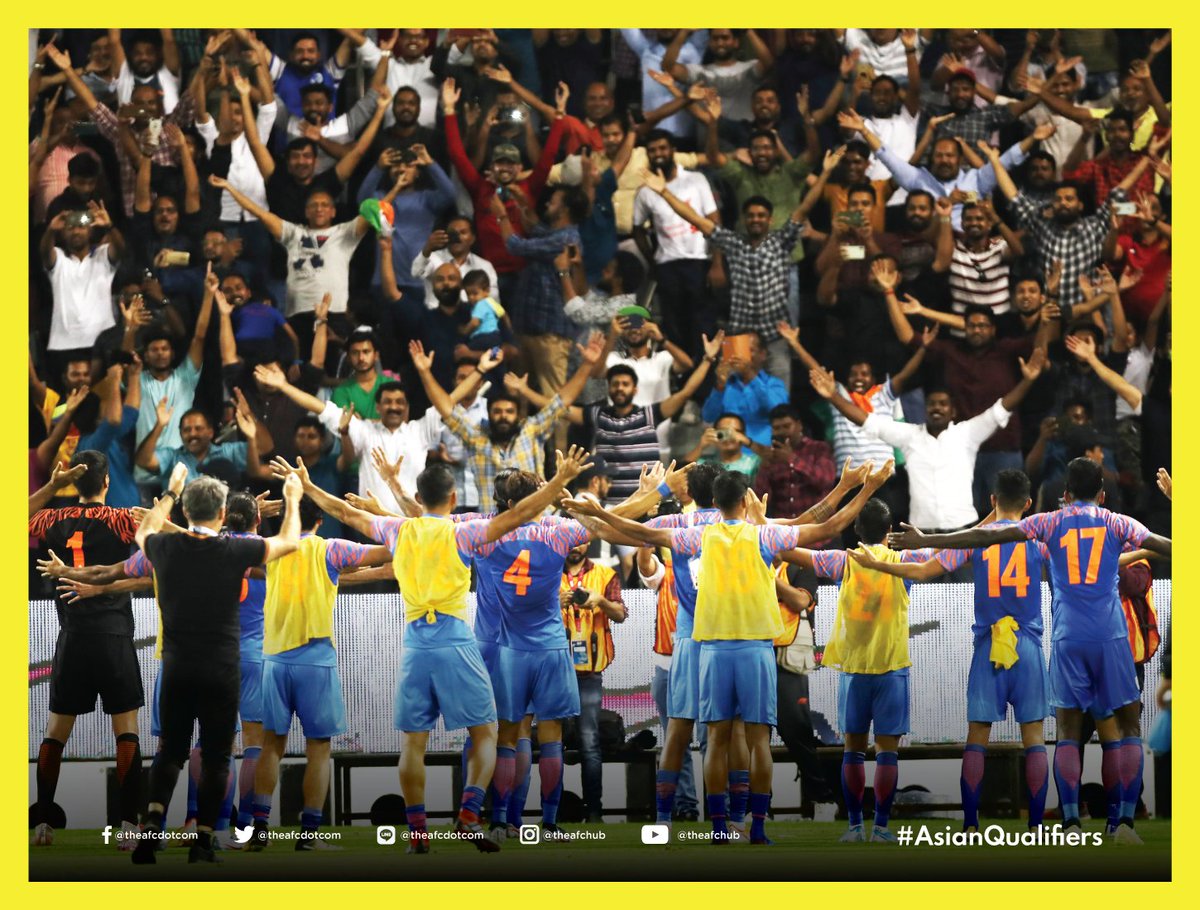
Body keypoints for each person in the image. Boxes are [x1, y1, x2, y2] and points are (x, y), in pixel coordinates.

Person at [568, 463, 895, 844]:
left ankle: (701, 825)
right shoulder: (763, 534)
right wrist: (858, 488)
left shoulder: (693, 533)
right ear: (744, 500)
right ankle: (752, 825)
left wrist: (597, 513)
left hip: (701, 642)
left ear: (695, 493)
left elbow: (631, 530)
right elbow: (823, 525)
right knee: (753, 739)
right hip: (754, 646)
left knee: (695, 735)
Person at [888, 457, 1172, 844]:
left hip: (1056, 638)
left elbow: (983, 538)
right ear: (1102, 494)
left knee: (1063, 731)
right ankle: (1121, 824)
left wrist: (927, 541)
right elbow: (1171, 548)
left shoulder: (1046, 524)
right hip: (1104, 638)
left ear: (1065, 494)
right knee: (1123, 729)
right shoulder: (1116, 522)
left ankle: (1066, 821)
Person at [850, 470, 1053, 833]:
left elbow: (925, 570)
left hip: (990, 644)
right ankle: (1036, 827)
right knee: (1034, 737)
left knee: (977, 735)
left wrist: (878, 564)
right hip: (1028, 645)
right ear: (1027, 504)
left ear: (992, 501)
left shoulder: (976, 541)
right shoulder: (1040, 541)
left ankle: (972, 825)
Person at [130, 464, 303, 864]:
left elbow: (144, 532)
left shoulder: (165, 547)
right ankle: (204, 840)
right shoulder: (235, 550)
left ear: (185, 511)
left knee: (170, 751)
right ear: (223, 515)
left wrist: (170, 491)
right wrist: (292, 498)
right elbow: (290, 542)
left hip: (176, 667)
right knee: (217, 756)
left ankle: (151, 830)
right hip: (221, 669)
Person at [781, 496, 936, 843]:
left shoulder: (843, 561)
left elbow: (792, 551)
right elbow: (941, 556)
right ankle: (881, 827)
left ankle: (854, 827)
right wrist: (922, 537)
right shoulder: (904, 559)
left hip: (853, 669)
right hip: (891, 666)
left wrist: (762, 534)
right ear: (890, 531)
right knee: (887, 751)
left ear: (855, 529)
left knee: (852, 749)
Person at [246, 497, 391, 851]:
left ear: (286, 519)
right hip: (315, 660)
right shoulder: (332, 549)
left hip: (275, 659)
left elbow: (223, 546)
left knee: (270, 747)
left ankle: (260, 831)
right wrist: (378, 515)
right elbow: (388, 550)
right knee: (319, 749)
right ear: (321, 521)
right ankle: (309, 835)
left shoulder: (271, 549)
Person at [640, 146, 844, 385]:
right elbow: (694, 217)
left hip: (776, 334)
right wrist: (664, 191)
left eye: (761, 215)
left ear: (769, 220)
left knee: (779, 400)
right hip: (740, 334)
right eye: (751, 215)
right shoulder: (732, 243)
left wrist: (826, 173)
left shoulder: (782, 240)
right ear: (744, 220)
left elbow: (805, 206)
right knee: (735, 401)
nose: (755, 219)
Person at [28, 452, 142, 849]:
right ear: (107, 482)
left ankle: (43, 822)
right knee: (125, 732)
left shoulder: (53, 519)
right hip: (113, 636)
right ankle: (129, 824)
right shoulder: (122, 519)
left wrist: (52, 487)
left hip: (72, 636)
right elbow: (157, 537)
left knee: (56, 732)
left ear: (74, 483)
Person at [809, 348, 1047, 532]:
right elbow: (867, 420)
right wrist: (832, 396)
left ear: (952, 411)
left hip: (963, 531)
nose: (937, 408)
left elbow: (1001, 408)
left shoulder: (967, 433)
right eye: (932, 404)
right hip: (921, 535)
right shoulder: (909, 436)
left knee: (966, 597)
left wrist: (1028, 380)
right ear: (925, 409)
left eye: (943, 404)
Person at [410, 337, 602, 511]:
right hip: (493, 528)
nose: (503, 416)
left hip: (536, 525)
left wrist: (587, 364)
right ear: (489, 414)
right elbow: (445, 407)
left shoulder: (531, 430)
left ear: (518, 416)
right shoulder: (476, 438)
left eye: (509, 412)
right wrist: (424, 372)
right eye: (497, 412)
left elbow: (562, 401)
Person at [632, 129, 723, 360]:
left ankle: (704, 387)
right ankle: (682, 384)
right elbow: (637, 229)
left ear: (673, 150)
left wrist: (717, 263)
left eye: (662, 148)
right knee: (674, 328)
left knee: (702, 327)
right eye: (652, 150)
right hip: (668, 267)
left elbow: (714, 222)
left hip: (699, 263)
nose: (658, 154)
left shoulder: (696, 179)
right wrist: (652, 260)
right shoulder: (644, 192)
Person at [559, 541, 627, 822]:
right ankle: (554, 812)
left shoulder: (605, 574)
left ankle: (594, 812)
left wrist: (599, 600)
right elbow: (524, 611)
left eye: (581, 540)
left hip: (590, 670)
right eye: (570, 540)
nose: (576, 546)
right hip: (554, 670)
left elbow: (621, 614)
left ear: (589, 542)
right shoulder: (547, 572)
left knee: (589, 741)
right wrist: (555, 602)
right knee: (553, 744)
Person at [752, 404, 838, 522]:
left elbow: (825, 481)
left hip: (819, 530)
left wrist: (791, 459)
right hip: (785, 532)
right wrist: (765, 466)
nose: (782, 432)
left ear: (799, 425)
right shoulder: (771, 457)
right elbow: (760, 500)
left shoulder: (819, 449)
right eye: (777, 428)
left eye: (786, 426)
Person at [701, 332, 788, 448]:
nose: (742, 356)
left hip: (764, 452)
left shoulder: (774, 384)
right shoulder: (726, 385)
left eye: (749, 350)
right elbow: (708, 416)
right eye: (739, 350)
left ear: (763, 354)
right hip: (729, 452)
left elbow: (779, 414)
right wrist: (720, 385)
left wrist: (750, 375)